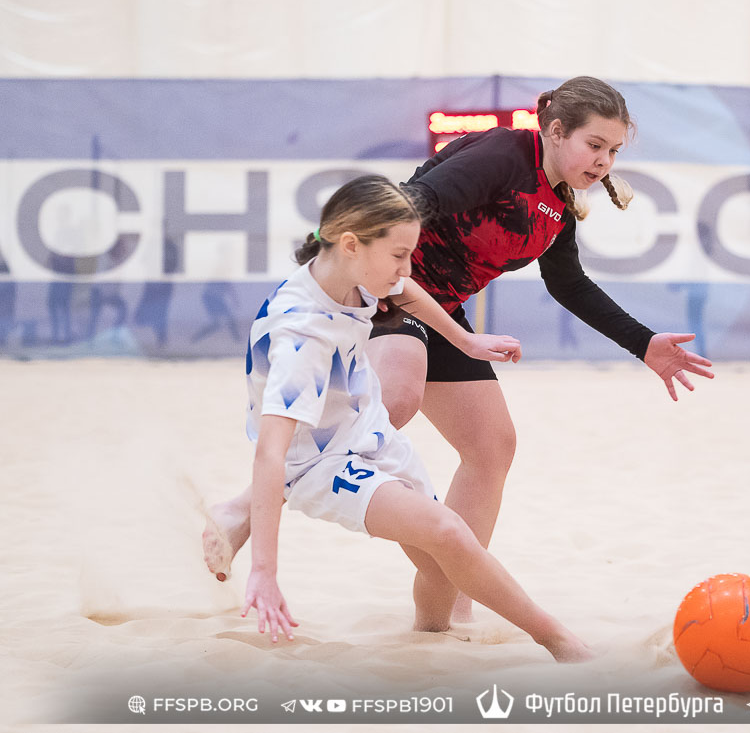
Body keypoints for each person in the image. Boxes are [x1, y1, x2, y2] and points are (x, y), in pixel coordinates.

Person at [207, 76, 714, 625]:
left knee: (492, 447)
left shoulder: (559, 202)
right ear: (555, 130)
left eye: (613, 151)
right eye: (594, 145)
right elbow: (416, 200)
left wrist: (643, 343)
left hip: (443, 310)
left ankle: (452, 601)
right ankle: (247, 506)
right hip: (391, 288)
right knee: (397, 398)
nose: (603, 162)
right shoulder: (504, 154)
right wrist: (336, 251)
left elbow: (568, 284)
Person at [234, 173, 590, 661]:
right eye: (400, 254)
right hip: (318, 463)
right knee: (449, 532)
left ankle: (431, 637)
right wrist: (264, 571)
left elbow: (406, 289)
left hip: (368, 429)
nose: (407, 266)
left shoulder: (346, 271)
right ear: (352, 244)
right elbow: (270, 454)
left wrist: (465, 341)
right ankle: (559, 641)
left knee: (444, 568)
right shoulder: (304, 335)